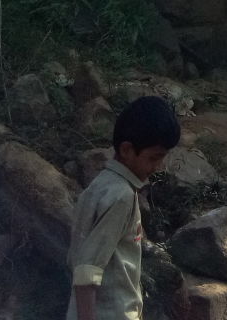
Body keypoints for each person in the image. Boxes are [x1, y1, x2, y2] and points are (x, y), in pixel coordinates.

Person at [65, 94, 181, 320]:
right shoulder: (122, 196)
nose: (159, 166)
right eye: (154, 158)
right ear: (127, 150)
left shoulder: (98, 187)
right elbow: (87, 271)